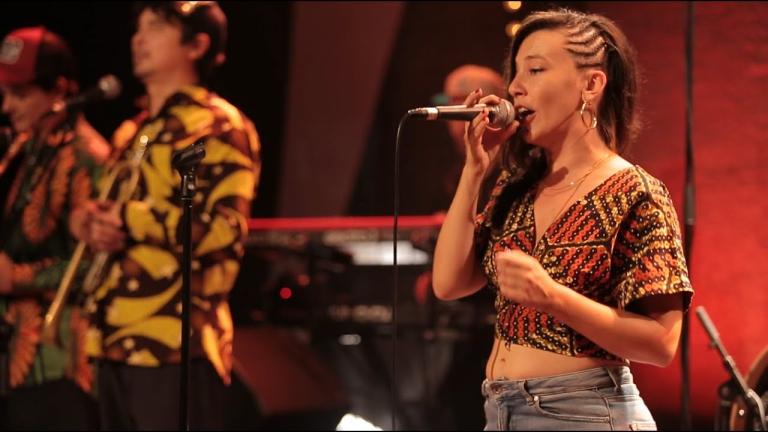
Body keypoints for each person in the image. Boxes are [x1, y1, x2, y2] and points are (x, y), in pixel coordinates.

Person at [432, 8, 694, 431]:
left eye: (535, 70)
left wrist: (551, 296)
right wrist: (475, 170)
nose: (515, 88)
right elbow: (449, 283)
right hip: (501, 409)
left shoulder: (635, 192)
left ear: (591, 84)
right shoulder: (517, 186)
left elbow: (662, 343)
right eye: (516, 72)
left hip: (584, 412)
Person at [69, 2, 261, 429]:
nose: (138, 39)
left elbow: (226, 231)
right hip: (110, 344)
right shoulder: (134, 130)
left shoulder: (218, 125)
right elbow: (110, 212)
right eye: (137, 29)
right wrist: (89, 223)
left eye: (156, 27)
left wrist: (130, 219)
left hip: (175, 345)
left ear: (197, 45)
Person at [0, 26, 109, 430]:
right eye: (5, 93)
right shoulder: (25, 147)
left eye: (20, 94)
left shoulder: (87, 156)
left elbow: (97, 267)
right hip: (14, 358)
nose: (7, 106)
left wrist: (16, 277)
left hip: (57, 363)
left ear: (59, 90)